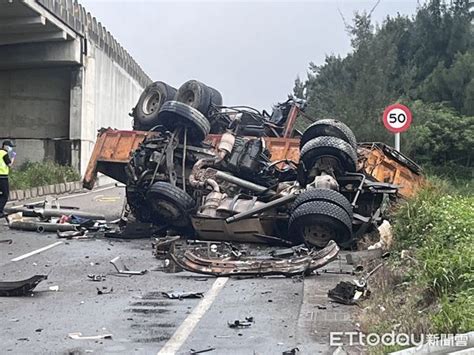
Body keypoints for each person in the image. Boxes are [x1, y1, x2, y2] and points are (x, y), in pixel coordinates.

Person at [0, 140, 15, 218]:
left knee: (0, 194)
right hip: (2, 177)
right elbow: (9, 165)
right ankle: (0, 211)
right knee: (5, 195)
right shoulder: (4, 153)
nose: (10, 148)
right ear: (5, 146)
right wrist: (13, 157)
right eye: (10, 147)